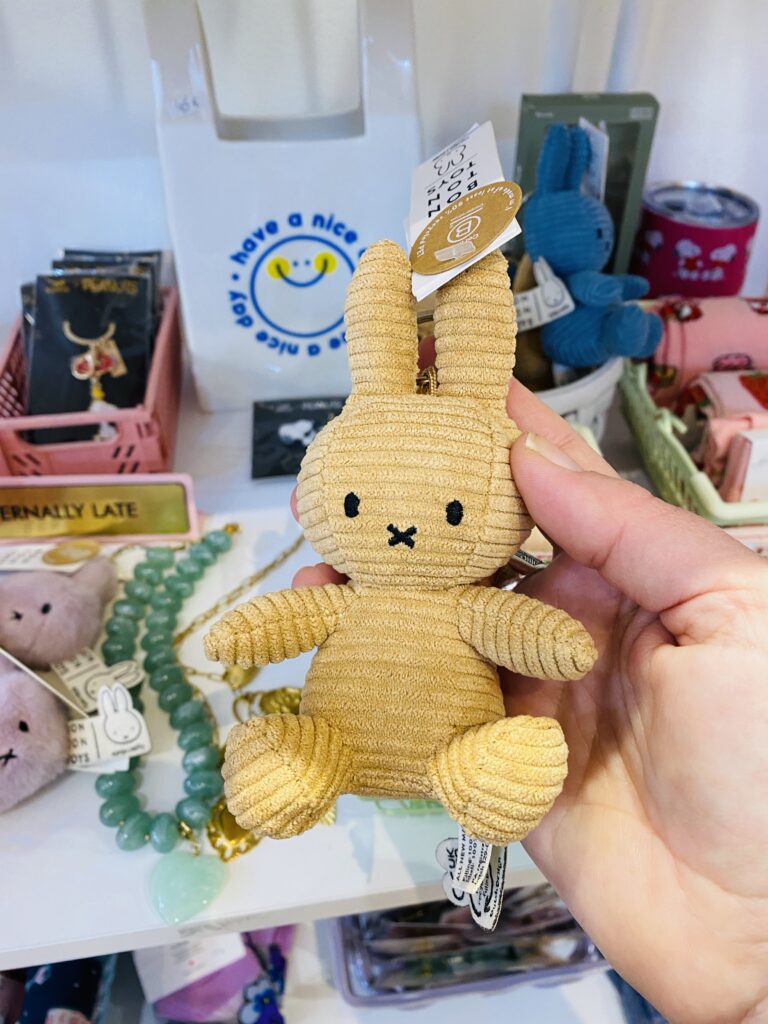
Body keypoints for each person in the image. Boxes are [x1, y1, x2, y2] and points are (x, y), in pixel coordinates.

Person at [290, 375, 768, 1024]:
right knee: (293, 753)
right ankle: (300, 766)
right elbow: (276, 622)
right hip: (341, 743)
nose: (401, 529)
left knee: (505, 757)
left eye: (454, 511)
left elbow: (538, 636)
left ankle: (475, 775)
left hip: (462, 753)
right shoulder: (355, 598)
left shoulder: (470, 606)